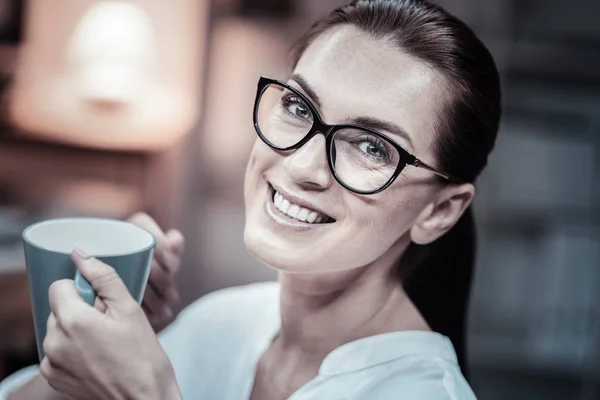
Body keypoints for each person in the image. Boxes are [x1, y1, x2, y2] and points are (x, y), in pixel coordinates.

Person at [0, 0, 501, 398]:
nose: (302, 166)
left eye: (372, 147)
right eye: (297, 106)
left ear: (440, 211)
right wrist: (86, 347)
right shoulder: (221, 324)